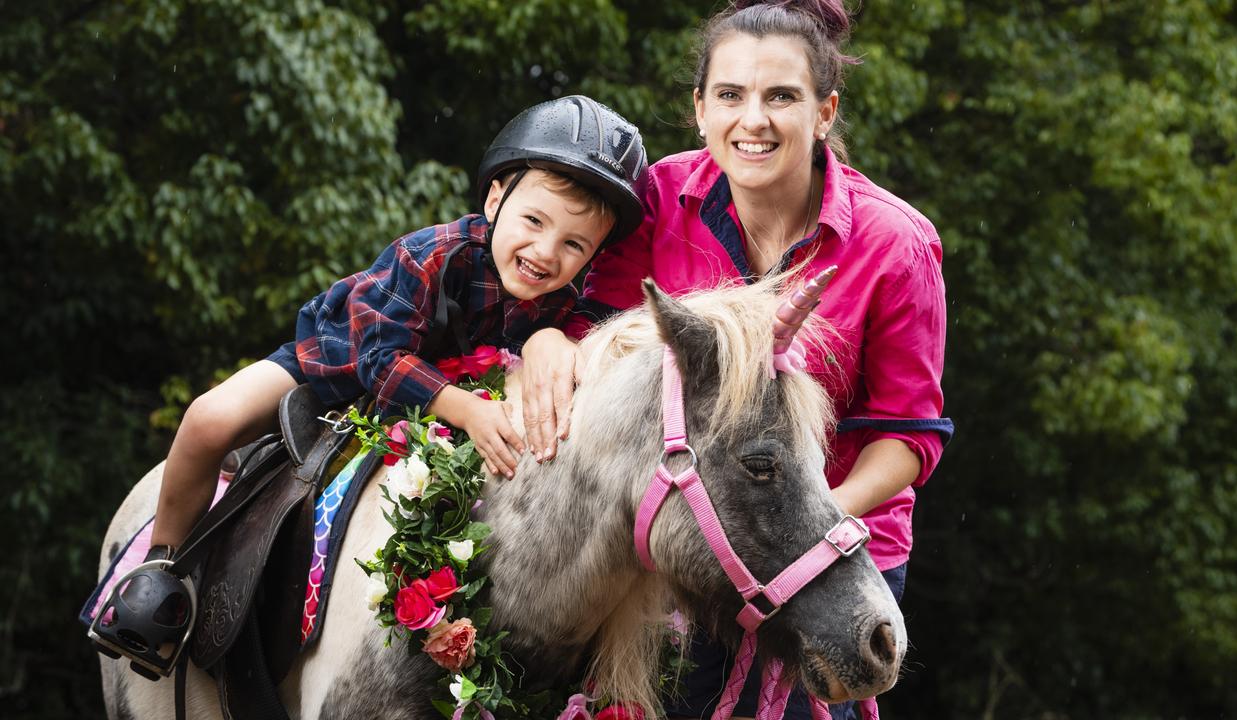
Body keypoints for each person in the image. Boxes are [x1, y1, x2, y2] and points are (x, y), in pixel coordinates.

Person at [94, 95, 648, 661]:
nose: (545, 253)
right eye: (534, 221)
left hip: (430, 420)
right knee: (210, 418)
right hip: (336, 372)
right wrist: (468, 410)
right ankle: (159, 569)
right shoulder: (431, 255)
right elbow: (380, 361)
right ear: (495, 197)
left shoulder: (565, 305)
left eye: (574, 245)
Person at [518, 3, 951, 719]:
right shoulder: (656, 197)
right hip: (671, 550)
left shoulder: (896, 244)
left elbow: (908, 438)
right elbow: (596, 337)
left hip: (830, 552)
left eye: (781, 96)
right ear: (699, 109)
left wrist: (799, 528)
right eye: (730, 96)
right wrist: (544, 340)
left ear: (825, 111)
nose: (754, 120)